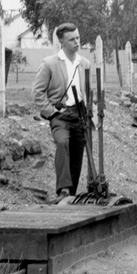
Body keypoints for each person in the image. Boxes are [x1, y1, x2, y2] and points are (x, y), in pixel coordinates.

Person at [31, 23, 91, 202]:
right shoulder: (49, 63)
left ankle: (71, 195)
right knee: (63, 142)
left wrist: (90, 112)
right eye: (72, 39)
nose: (77, 42)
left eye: (78, 38)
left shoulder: (84, 63)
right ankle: (63, 190)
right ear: (62, 42)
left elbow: (88, 91)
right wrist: (50, 112)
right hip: (61, 116)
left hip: (80, 114)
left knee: (78, 151)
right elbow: (37, 92)